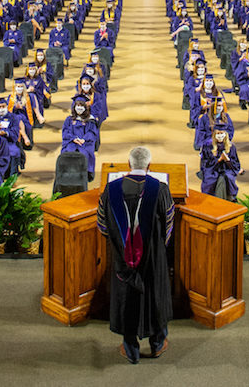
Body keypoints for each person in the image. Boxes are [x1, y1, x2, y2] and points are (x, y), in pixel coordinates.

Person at [97, 146, 173, 364]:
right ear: (149, 166)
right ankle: (158, 345)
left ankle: (130, 349)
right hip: (153, 259)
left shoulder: (111, 190)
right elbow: (168, 226)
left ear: (128, 164)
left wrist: (120, 247)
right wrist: (158, 250)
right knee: (154, 295)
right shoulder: (160, 189)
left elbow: (102, 225)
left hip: (122, 259)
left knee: (126, 298)